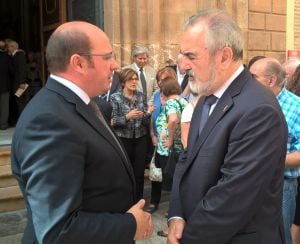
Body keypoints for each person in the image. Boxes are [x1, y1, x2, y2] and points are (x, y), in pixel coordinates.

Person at [11, 21, 153, 244]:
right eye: (107, 57)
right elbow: (58, 230)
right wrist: (131, 225)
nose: (115, 65)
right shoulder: (48, 121)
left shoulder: (82, 103)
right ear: (78, 63)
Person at [167, 9, 288, 244]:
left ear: (223, 56)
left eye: (191, 56)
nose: (181, 66)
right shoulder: (206, 96)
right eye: (182, 55)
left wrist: (187, 239)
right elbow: (186, 159)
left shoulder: (258, 110)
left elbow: (233, 198)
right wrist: (176, 215)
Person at [250, 57, 300, 244]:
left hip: (282, 186)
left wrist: (269, 160)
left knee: (280, 237)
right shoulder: (250, 102)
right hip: (249, 181)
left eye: (253, 77)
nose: (249, 82)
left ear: (270, 80)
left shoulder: (297, 107)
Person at [110, 68, 154, 200]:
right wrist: (127, 117)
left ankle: (138, 201)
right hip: (123, 139)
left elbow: (144, 120)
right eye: (131, 79)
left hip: (140, 138)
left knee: (139, 172)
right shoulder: (115, 97)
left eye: (136, 79)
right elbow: (111, 121)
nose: (134, 81)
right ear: (123, 82)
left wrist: (148, 114)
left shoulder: (141, 96)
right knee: (124, 172)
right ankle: (125, 200)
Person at [6, 39, 29, 119]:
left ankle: (24, 120)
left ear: (13, 47)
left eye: (8, 47)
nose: (7, 48)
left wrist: (22, 82)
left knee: (21, 103)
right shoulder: (15, 55)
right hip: (17, 83)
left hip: (20, 84)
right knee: (19, 103)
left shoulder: (19, 54)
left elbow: (22, 69)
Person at [0, 39, 13, 130]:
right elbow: (11, 71)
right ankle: (3, 124)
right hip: (4, 85)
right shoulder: (6, 57)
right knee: (4, 106)